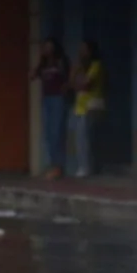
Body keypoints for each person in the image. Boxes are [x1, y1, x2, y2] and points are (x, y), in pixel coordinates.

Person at [32, 37, 69, 178]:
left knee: (56, 133)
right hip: (46, 99)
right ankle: (52, 164)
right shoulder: (43, 64)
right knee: (48, 133)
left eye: (49, 47)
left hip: (58, 99)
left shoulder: (60, 62)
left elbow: (67, 79)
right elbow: (33, 76)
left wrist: (64, 92)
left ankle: (58, 166)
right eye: (44, 47)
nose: (46, 49)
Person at [70, 39, 105, 178]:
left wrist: (78, 78)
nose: (81, 52)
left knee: (87, 139)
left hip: (92, 106)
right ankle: (83, 166)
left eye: (84, 49)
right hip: (80, 107)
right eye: (80, 49)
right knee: (80, 139)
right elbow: (72, 84)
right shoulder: (81, 67)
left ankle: (87, 167)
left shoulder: (96, 66)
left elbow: (86, 84)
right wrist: (76, 74)